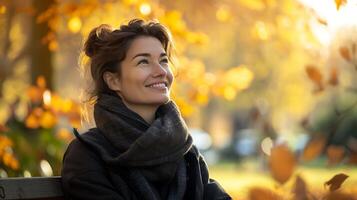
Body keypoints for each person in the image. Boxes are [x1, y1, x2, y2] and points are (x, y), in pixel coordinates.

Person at [61, 19, 232, 200]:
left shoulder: (185, 152)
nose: (161, 71)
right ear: (113, 81)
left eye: (163, 60)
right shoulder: (87, 155)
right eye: (143, 62)